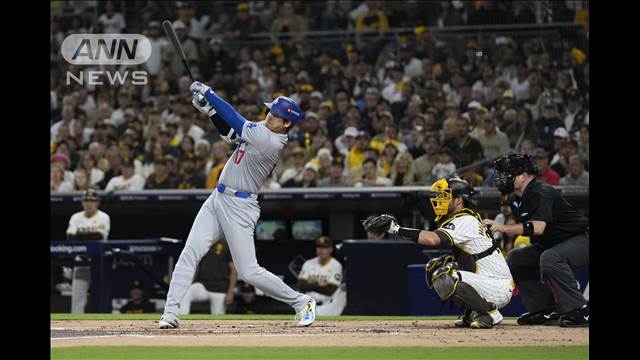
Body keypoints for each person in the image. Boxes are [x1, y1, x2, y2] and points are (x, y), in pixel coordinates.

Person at [159, 81, 316, 329]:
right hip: (217, 198)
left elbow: (234, 118)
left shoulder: (271, 141)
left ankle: (301, 301)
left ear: (286, 124)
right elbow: (231, 134)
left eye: (275, 116)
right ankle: (170, 313)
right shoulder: (262, 130)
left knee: (249, 272)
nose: (269, 116)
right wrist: (210, 111)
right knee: (190, 252)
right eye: (270, 112)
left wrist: (210, 94)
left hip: (240, 206)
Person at [362, 178, 513, 328]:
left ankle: (490, 313)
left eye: (445, 196)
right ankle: (472, 312)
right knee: (437, 266)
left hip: (497, 285)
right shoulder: (464, 218)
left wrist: (396, 229)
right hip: (488, 280)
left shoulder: (465, 220)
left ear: (459, 199)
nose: (440, 200)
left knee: (444, 276)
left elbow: (432, 239)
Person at [484, 154, 589, 327]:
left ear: (524, 175)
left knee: (550, 258)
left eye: (508, 173)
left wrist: (503, 228)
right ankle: (544, 310)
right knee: (517, 258)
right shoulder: (515, 198)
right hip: (555, 243)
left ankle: (579, 310)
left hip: (581, 238)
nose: (502, 178)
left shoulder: (541, 191)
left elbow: (538, 228)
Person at [66, 189, 111, 314]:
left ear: (97, 202)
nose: (89, 203)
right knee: (77, 298)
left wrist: (80, 235)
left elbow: (99, 236)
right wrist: (89, 235)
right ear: (82, 202)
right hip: (81, 262)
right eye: (86, 200)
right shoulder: (76, 217)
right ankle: (75, 327)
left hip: (99, 262)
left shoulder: (103, 216)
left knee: (101, 295)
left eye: (92, 201)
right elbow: (70, 237)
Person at [180, 240, 237, 315]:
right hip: (203, 285)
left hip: (220, 288)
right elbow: (197, 266)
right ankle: (183, 319)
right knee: (185, 292)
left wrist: (230, 292)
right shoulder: (203, 244)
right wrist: (190, 282)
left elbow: (234, 270)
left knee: (218, 318)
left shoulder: (227, 245)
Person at [297, 236, 346, 316]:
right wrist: (318, 284)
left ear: (330, 249)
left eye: (324, 247)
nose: (321, 250)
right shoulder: (308, 263)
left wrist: (310, 285)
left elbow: (330, 290)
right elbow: (301, 285)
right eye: (319, 247)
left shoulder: (336, 265)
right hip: (308, 306)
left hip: (327, 307)